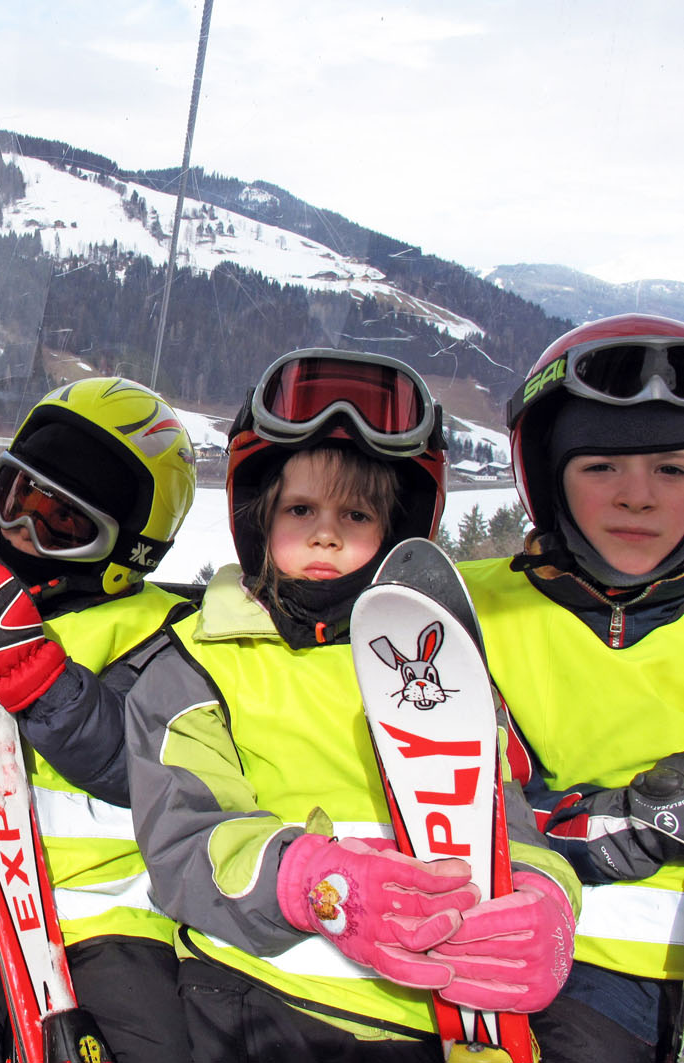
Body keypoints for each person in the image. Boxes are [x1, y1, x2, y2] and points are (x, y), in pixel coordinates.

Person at [124, 348, 580, 1060]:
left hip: (431, 1010)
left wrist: (545, 902)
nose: (325, 532)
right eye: (300, 508)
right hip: (253, 995)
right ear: (257, 518)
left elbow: (502, 817)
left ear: (393, 531)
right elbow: (183, 843)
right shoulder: (194, 665)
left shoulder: (440, 666)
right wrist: (314, 882)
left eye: (355, 513)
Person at [0, 377, 198, 1063]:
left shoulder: (161, 630)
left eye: (62, 522)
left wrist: (38, 675)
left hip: (113, 911)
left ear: (126, 552)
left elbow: (147, 764)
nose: (23, 529)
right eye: (16, 497)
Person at [458, 314, 684, 1060]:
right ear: (547, 480)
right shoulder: (473, 613)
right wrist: (621, 822)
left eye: (672, 469)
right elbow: (460, 808)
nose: (637, 497)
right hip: (568, 958)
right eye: (600, 468)